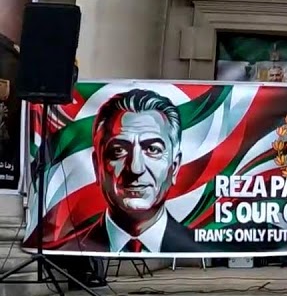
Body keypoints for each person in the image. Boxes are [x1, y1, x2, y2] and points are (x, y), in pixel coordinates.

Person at [51, 89, 200, 253]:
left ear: (175, 167)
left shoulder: (200, 249)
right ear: (97, 165)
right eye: (119, 151)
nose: (136, 168)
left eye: (152, 149)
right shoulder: (69, 249)